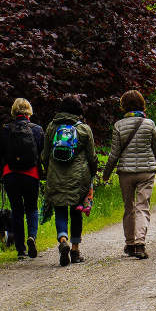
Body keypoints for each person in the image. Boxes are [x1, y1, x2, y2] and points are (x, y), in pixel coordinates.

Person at [102, 90, 156, 260]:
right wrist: (155, 164)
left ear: (124, 105)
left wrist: (106, 173)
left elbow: (114, 154)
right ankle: (140, 243)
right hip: (146, 171)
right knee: (143, 206)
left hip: (125, 172)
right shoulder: (149, 124)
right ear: (142, 104)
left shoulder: (119, 126)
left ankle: (129, 244)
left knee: (129, 207)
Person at [41, 95, 97, 267]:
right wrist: (92, 173)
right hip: (78, 179)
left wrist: (47, 170)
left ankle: (62, 239)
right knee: (76, 212)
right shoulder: (84, 129)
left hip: (56, 176)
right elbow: (92, 156)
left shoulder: (52, 127)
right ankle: (74, 249)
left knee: (60, 210)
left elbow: (45, 155)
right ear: (78, 110)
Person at [0, 98, 43, 260]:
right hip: (31, 175)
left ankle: (20, 250)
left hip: (11, 175)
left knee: (16, 211)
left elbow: (0, 154)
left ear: (14, 111)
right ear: (29, 111)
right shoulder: (37, 130)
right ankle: (32, 237)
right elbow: (41, 154)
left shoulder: (5, 130)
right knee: (32, 209)